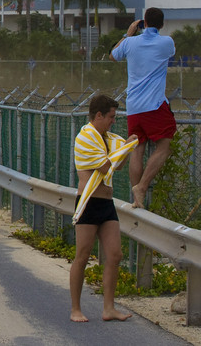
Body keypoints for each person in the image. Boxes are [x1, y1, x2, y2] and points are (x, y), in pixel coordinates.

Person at [69, 93, 135, 323]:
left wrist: (127, 147)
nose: (113, 121)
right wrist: (125, 147)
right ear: (98, 115)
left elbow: (119, 164)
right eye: (111, 117)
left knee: (115, 254)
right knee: (82, 256)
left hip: (106, 203)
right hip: (88, 203)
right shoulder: (86, 137)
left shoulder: (107, 138)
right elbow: (108, 166)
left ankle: (109, 308)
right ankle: (75, 309)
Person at [109, 8, 177, 208]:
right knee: (164, 146)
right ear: (161, 25)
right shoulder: (167, 42)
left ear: (143, 23)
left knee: (137, 149)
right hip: (154, 104)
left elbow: (113, 56)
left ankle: (136, 198)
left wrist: (128, 34)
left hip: (134, 106)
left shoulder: (130, 42)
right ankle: (142, 186)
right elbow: (169, 54)